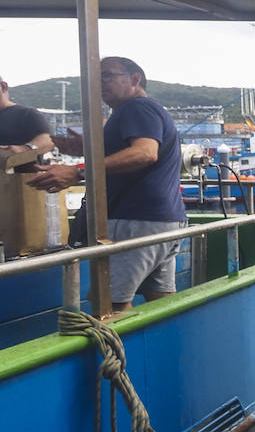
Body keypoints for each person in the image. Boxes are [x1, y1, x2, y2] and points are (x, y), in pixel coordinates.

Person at [28, 57, 188, 311]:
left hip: (136, 221)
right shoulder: (139, 112)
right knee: (160, 301)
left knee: (109, 305)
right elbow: (129, 154)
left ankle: (115, 352)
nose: (99, 83)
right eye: (95, 78)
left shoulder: (137, 108)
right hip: (162, 221)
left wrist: (78, 171)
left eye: (107, 76)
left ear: (135, 79)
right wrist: (86, 150)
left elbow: (145, 153)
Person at [0, 74, 55, 157]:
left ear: (4, 87)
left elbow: (48, 141)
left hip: (20, 169)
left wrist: (24, 149)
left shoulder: (27, 114)